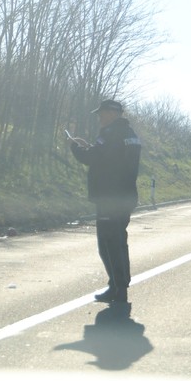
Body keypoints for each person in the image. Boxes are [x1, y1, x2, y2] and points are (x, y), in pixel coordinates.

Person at [67, 99, 141, 303]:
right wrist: (90, 146)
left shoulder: (109, 134)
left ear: (112, 113)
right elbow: (108, 157)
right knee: (119, 241)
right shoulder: (131, 135)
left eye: (102, 113)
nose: (99, 118)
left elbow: (93, 158)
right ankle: (120, 284)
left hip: (109, 197)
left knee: (107, 243)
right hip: (126, 195)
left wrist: (75, 147)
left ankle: (117, 288)